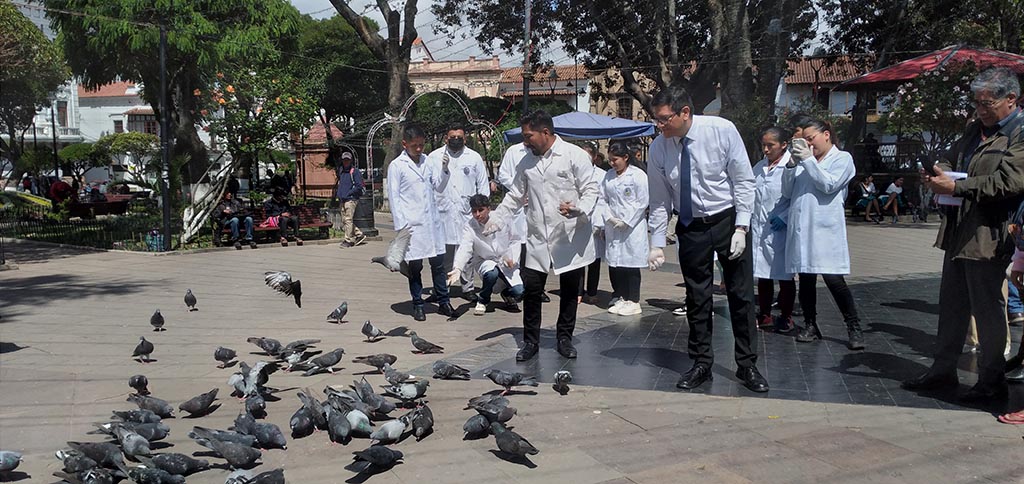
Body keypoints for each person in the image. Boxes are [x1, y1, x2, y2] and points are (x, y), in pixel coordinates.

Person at [904, 67, 1024, 403]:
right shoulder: (976, 130)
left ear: (1011, 99)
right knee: (952, 305)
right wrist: (937, 171)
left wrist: (956, 186)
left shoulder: (1019, 131)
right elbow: (954, 157)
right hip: (959, 229)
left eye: (988, 103)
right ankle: (942, 371)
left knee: (987, 308)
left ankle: (991, 379)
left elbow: (1010, 182)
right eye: (977, 103)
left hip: (991, 232)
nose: (981, 110)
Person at [646, 84, 768, 393]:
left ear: (685, 112)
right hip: (691, 226)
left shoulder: (721, 130)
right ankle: (702, 362)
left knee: (740, 296)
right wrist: (656, 242)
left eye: (663, 119)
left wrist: (742, 227)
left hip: (726, 220)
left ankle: (747, 364)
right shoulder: (659, 147)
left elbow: (743, 180)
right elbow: (659, 198)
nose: (659, 126)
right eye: (656, 120)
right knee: (696, 298)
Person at [489, 110, 600, 361]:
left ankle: (564, 338)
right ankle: (530, 342)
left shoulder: (574, 156)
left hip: (569, 235)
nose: (525, 142)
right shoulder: (527, 162)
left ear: (545, 132)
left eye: (529, 136)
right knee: (532, 290)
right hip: (538, 236)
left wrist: (579, 208)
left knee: (570, 291)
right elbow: (516, 195)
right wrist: (497, 218)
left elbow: (591, 188)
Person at [775, 117, 865, 350]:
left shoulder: (842, 159)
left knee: (834, 279)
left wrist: (807, 160)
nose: (808, 144)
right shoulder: (804, 162)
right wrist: (792, 164)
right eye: (803, 140)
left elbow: (828, 185)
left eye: (810, 139)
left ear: (826, 134)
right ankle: (810, 324)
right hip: (801, 227)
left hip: (824, 230)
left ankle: (853, 325)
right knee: (806, 279)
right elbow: (786, 191)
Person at [388, 123, 453, 321]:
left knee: (438, 264)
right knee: (415, 267)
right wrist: (401, 227)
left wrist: (444, 169)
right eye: (415, 145)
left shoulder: (427, 161)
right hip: (411, 225)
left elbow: (439, 186)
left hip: (431, 224)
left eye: (422, 145)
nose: (419, 149)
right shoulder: (397, 166)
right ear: (405, 144)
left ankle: (444, 301)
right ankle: (418, 303)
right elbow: (394, 196)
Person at [428, 124, 490, 301]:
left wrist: (481, 211)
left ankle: (467, 287)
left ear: (465, 139)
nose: (456, 140)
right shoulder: (434, 157)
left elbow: (483, 186)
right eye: (452, 137)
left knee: (468, 252)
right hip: (443, 212)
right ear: (446, 138)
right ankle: (442, 288)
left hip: (466, 213)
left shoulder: (474, 157)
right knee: (443, 253)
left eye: (459, 137)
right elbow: (430, 185)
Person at [448, 194, 525, 315]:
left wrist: (513, 258)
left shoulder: (502, 218)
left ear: (488, 208)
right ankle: (483, 300)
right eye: (474, 211)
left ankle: (506, 294)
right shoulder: (470, 226)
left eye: (481, 210)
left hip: (505, 259)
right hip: (485, 260)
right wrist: (457, 268)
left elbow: (515, 239)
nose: (477, 214)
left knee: (519, 292)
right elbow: (465, 247)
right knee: (491, 273)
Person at [752, 127, 796, 333]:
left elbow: (796, 197)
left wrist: (785, 217)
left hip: (782, 228)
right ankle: (765, 314)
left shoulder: (792, 166)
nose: (766, 149)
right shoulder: (759, 167)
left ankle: (786, 317)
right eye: (764, 145)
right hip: (761, 229)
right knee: (764, 274)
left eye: (771, 145)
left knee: (785, 276)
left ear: (784, 145)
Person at [496, 141, 551, 304]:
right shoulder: (513, 151)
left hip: (538, 209)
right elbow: (503, 175)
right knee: (519, 252)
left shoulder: (545, 151)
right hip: (519, 208)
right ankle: (517, 288)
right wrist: (520, 191)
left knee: (539, 250)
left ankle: (538, 289)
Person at [601, 141, 649, 316]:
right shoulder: (608, 176)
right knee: (617, 263)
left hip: (632, 227)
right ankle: (622, 296)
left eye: (615, 160)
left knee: (631, 263)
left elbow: (642, 202)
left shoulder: (637, 175)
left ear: (626, 157)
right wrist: (609, 217)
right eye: (610, 160)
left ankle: (634, 300)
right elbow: (602, 199)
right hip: (613, 225)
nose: (612, 163)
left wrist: (627, 221)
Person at [579, 141, 608, 305]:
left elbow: (603, 201)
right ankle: (578, 291)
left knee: (594, 260)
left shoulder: (601, 175)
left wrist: (600, 223)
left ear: (594, 157)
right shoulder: (574, 172)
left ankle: (592, 291)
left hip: (595, 221)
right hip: (579, 221)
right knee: (579, 259)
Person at [335, 151, 367, 248]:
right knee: (345, 221)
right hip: (343, 199)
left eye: (347, 160)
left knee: (348, 219)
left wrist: (349, 193)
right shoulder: (341, 171)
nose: (346, 162)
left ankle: (348, 240)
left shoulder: (355, 172)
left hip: (351, 199)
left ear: (351, 160)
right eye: (344, 160)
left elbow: (359, 186)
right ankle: (359, 234)